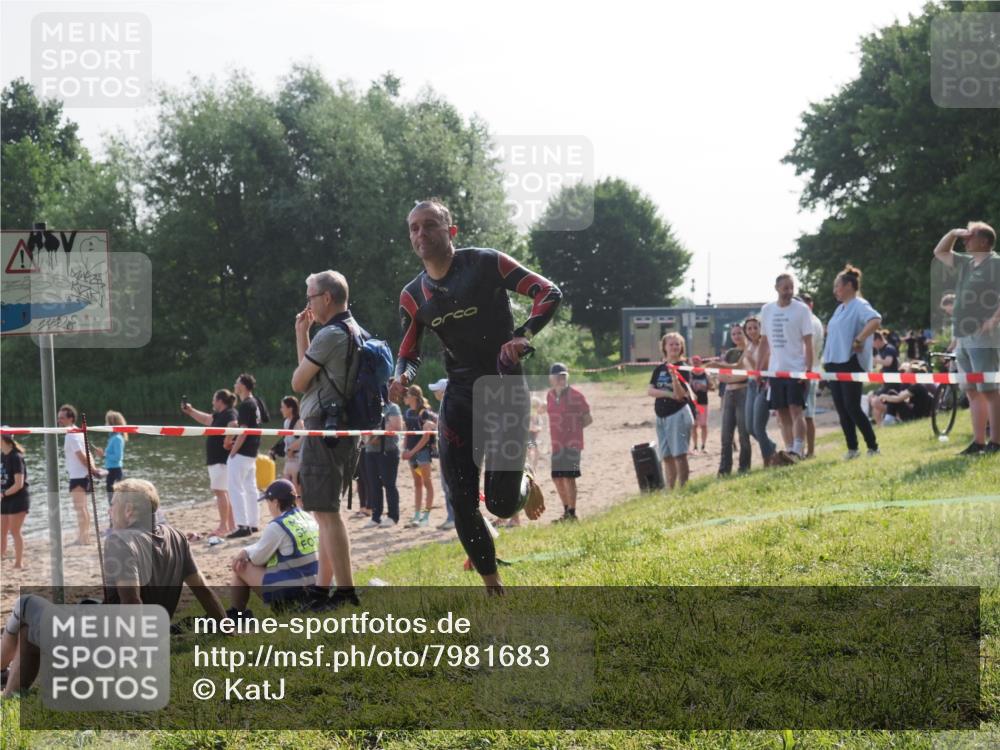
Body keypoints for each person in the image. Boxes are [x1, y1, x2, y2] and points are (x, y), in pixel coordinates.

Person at [389, 199, 560, 591]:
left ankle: (523, 479)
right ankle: (493, 588)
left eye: (429, 225)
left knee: (499, 504)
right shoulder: (413, 295)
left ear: (451, 231)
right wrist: (400, 378)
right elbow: (408, 353)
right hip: (461, 394)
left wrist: (523, 336)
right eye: (413, 228)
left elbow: (548, 292)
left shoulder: (486, 263)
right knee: (460, 496)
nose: (420, 234)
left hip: (504, 389)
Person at [1, 478, 226, 695]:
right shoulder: (177, 537)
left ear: (129, 511)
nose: (109, 511)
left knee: (26, 603)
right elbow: (203, 590)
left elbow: (133, 603)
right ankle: (12, 694)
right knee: (29, 629)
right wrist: (227, 628)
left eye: (113, 504)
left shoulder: (121, 541)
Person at [291, 269, 363, 610]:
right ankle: (323, 590)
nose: (308, 304)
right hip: (344, 431)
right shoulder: (354, 330)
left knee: (326, 513)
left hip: (325, 430)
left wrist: (302, 335)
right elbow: (310, 377)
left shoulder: (331, 335)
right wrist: (303, 331)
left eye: (310, 297)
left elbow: (298, 382)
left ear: (327, 298)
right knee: (325, 512)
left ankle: (345, 592)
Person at [933, 222, 1000, 455]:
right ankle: (979, 442)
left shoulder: (995, 263)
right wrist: (952, 233)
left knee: (990, 389)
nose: (965, 241)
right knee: (972, 391)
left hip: (984, 337)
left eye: (969, 238)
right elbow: (940, 252)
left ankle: (996, 442)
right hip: (963, 336)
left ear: (984, 241)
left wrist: (994, 319)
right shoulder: (965, 262)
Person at [229, 479, 319, 613]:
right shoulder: (307, 517)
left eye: (268, 502)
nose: (268, 506)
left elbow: (257, 559)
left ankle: (236, 613)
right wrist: (247, 550)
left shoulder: (278, 525)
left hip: (296, 596)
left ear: (276, 502)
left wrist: (244, 552)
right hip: (318, 589)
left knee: (240, 566)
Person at [821, 265, 883, 459]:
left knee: (852, 406)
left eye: (837, 286)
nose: (835, 291)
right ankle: (852, 449)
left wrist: (859, 339)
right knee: (841, 408)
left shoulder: (859, 304)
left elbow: (875, 320)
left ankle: (873, 447)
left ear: (848, 285)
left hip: (850, 362)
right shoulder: (840, 308)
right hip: (833, 363)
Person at [759, 274, 814, 461]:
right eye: (785, 287)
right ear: (776, 288)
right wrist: (760, 370)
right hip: (776, 370)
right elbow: (764, 343)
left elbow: (808, 342)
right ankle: (789, 449)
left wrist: (808, 370)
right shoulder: (767, 310)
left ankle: (798, 448)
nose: (789, 291)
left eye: (791, 287)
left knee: (796, 409)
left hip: (796, 369)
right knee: (781, 412)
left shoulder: (802, 310)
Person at [181, 389, 238, 537]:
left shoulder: (229, 413)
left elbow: (234, 424)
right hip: (217, 460)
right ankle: (231, 526)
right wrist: (191, 411)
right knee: (224, 492)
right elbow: (206, 419)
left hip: (220, 459)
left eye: (214, 400)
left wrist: (228, 439)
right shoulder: (219, 416)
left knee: (220, 492)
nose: (212, 402)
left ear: (220, 401)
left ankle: (223, 526)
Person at [546, 363, 592, 523]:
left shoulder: (577, 396)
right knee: (557, 477)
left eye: (564, 376)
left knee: (569, 477)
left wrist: (574, 429)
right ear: (551, 379)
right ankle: (566, 511)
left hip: (573, 443)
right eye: (558, 376)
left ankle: (572, 513)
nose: (561, 379)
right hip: (556, 444)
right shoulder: (549, 396)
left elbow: (588, 419)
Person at [648, 332, 695, 489]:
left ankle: (683, 489)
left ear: (681, 347)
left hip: (678, 414)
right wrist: (668, 393)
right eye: (671, 344)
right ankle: (670, 489)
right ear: (664, 347)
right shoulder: (660, 369)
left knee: (679, 455)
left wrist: (675, 379)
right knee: (667, 456)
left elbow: (681, 396)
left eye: (677, 344)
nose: (674, 347)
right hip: (661, 417)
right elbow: (651, 391)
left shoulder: (684, 367)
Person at [57, 404, 104, 546]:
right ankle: (85, 537)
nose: (59, 420)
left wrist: (93, 470)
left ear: (71, 418)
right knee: (83, 508)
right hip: (82, 474)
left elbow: (82, 455)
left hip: (78, 476)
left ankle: (83, 538)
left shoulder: (72, 434)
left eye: (62, 418)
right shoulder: (77, 431)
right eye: (58, 418)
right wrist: (93, 469)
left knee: (80, 508)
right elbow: (88, 453)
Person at [226, 374, 266, 539]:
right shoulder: (256, 402)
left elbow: (243, 432)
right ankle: (253, 523)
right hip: (253, 451)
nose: (235, 385)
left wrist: (233, 451)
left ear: (242, 385)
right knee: (250, 488)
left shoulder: (245, 405)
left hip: (243, 452)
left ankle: (242, 525)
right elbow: (262, 420)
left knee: (236, 488)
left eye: (237, 382)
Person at [742, 316, 780, 466]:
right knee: (750, 427)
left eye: (755, 328)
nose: (752, 331)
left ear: (761, 328)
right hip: (751, 385)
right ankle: (771, 448)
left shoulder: (765, 345)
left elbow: (764, 369)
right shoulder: (748, 346)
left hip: (764, 385)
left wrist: (751, 359)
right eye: (749, 328)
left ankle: (768, 459)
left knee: (758, 427)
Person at [363, 394, 404, 529]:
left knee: (389, 484)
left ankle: (393, 516)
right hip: (370, 452)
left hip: (388, 452)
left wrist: (377, 432)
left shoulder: (392, 408)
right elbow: (365, 429)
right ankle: (376, 517)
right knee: (374, 485)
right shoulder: (368, 409)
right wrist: (376, 432)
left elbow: (395, 426)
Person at [717, 323, 752, 476]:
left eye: (739, 333)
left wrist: (732, 377)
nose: (737, 336)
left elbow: (747, 374)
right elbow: (721, 375)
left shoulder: (750, 351)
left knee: (743, 433)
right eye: (734, 334)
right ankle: (724, 470)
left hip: (743, 393)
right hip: (729, 395)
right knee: (726, 435)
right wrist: (733, 377)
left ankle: (744, 467)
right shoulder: (730, 352)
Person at [401, 385, 437, 528]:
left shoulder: (424, 413)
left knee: (427, 482)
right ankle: (416, 515)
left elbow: (426, 438)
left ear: (414, 397)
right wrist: (404, 449)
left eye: (406, 395)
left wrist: (412, 452)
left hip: (422, 453)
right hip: (412, 453)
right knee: (417, 483)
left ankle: (426, 516)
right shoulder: (408, 412)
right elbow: (407, 433)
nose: (404, 398)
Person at [427, 378, 456, 530]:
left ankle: (453, 518)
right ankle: (452, 517)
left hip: (451, 453)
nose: (435, 392)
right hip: (447, 452)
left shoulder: (449, 406)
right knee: (447, 487)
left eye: (437, 390)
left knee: (450, 487)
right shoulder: (445, 406)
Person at [799, 293, 825, 458]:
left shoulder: (811, 322)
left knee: (806, 415)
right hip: (808, 370)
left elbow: (807, 350)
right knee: (804, 415)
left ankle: (809, 451)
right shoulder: (810, 321)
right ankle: (804, 450)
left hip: (808, 371)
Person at [1, 434, 29, 569]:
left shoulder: (16, 457)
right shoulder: (2, 456)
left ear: (4, 440)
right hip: (5, 497)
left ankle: (18, 562)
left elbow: (19, 484)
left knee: (14, 531)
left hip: (18, 497)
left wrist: (3, 493)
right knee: (2, 531)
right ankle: (1, 556)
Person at [271, 396, 304, 502]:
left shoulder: (299, 422)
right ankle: (292, 510)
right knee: (287, 488)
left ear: (290, 408)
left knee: (297, 490)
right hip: (289, 460)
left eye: (283, 407)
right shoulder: (286, 422)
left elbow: (304, 438)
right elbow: (285, 439)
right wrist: (275, 449)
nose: (281, 410)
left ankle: (301, 510)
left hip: (297, 459)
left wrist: (291, 449)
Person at [92, 410, 127, 502]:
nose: (105, 424)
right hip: (111, 471)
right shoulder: (113, 438)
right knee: (112, 501)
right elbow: (110, 456)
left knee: (115, 501)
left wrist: (104, 454)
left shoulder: (117, 438)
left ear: (112, 423)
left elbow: (118, 457)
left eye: (106, 422)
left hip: (115, 472)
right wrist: (103, 454)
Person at [688, 356, 711, 453]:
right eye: (694, 361)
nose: (695, 363)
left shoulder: (705, 373)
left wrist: (705, 386)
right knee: (694, 425)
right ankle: (695, 446)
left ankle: (703, 446)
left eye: (697, 361)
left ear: (701, 362)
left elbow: (711, 386)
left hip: (702, 402)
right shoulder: (689, 374)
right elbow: (686, 387)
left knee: (703, 425)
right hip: (693, 403)